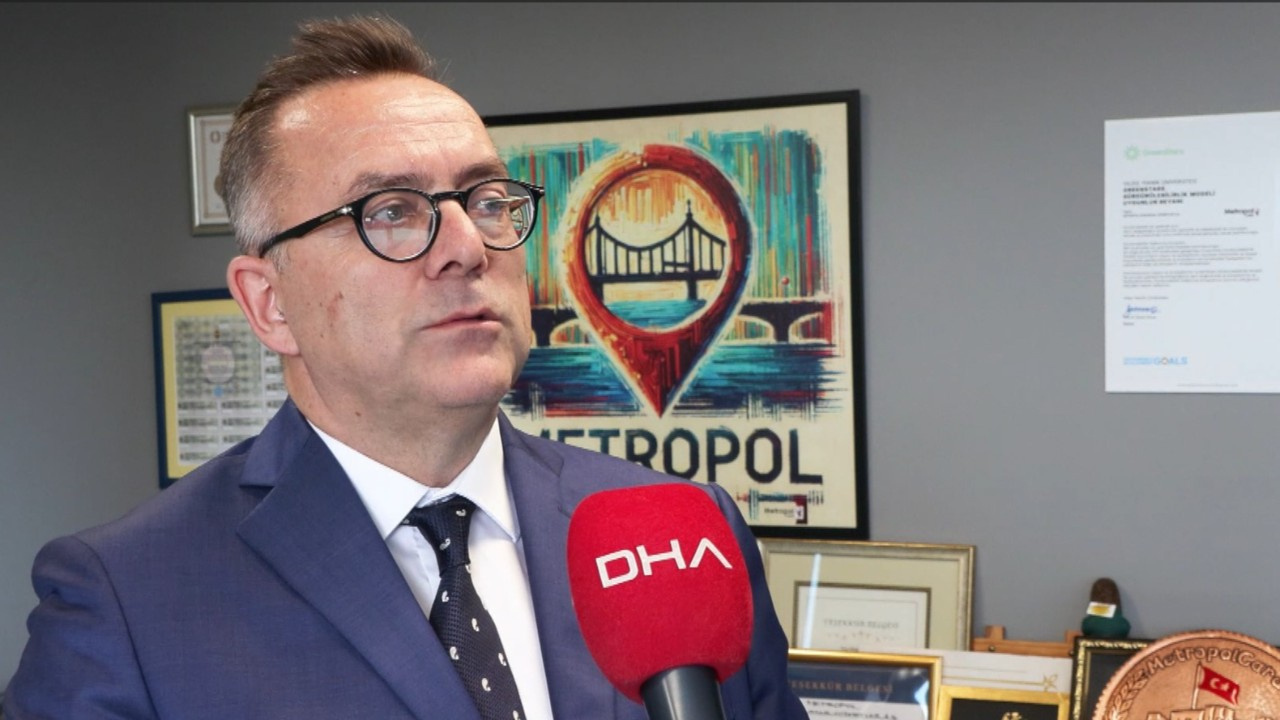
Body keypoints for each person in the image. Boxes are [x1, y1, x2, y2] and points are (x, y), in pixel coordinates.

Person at [3, 14, 808, 720]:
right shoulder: (125, 599)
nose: (467, 247)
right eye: (389, 210)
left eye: (487, 201)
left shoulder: (685, 536)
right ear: (269, 303)